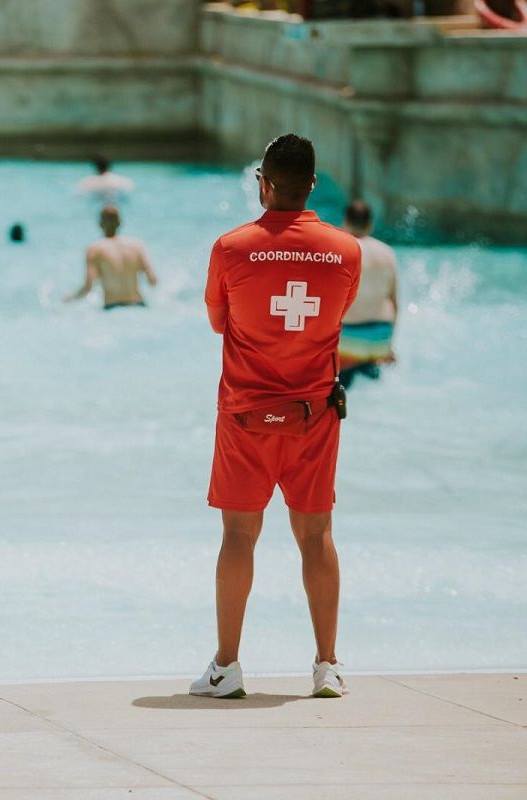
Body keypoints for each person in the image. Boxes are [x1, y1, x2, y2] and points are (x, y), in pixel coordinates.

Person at [193, 134, 361, 700]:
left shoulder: (231, 248)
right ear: (313, 184)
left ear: (263, 183)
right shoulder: (346, 251)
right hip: (314, 416)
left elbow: (219, 322)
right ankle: (328, 666)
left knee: (239, 536)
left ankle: (226, 668)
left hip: (245, 415)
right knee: (316, 536)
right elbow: (334, 316)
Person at [338, 199, 398, 389]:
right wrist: (388, 345)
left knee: (340, 392)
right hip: (379, 337)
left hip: (348, 339)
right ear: (370, 224)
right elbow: (394, 303)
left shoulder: (341, 250)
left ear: (345, 222)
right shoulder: (387, 253)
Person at [64, 205, 157, 309]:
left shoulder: (95, 250)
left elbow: (88, 287)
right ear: (120, 223)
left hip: (112, 307)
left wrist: (71, 298)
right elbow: (153, 281)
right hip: (139, 304)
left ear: (100, 224)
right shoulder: (136, 246)